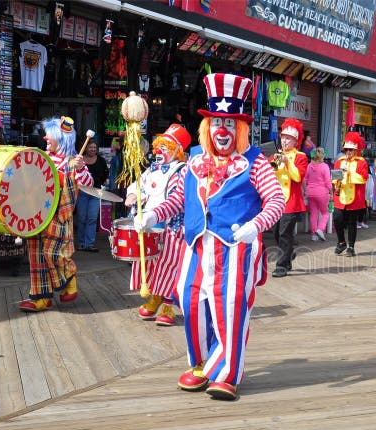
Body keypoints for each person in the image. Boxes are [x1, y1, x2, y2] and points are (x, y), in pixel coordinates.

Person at [138, 73, 285, 400]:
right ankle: (201, 363)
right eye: (217, 121)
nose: (223, 130)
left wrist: (256, 225)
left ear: (241, 129)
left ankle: (227, 373)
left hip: (235, 249)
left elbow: (277, 199)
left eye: (230, 124)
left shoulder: (255, 161)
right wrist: (153, 215)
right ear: (207, 127)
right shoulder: (193, 160)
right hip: (196, 245)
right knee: (189, 301)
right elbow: (179, 199)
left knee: (229, 305)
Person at [19, 116, 92, 312]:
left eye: (49, 136)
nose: (45, 139)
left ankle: (69, 277)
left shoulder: (72, 161)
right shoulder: (41, 157)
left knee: (54, 252)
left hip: (58, 215)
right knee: (36, 256)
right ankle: (40, 298)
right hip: (36, 214)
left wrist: (81, 167)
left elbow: (88, 184)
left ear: (61, 139)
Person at [124, 124, 191, 326]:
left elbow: (179, 200)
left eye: (166, 147)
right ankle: (155, 298)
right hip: (150, 227)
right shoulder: (152, 170)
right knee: (151, 264)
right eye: (158, 147)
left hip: (173, 228)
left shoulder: (183, 171)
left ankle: (168, 305)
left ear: (178, 150)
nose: (160, 151)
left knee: (170, 265)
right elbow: (139, 185)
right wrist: (133, 194)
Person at [271, 118, 309, 278]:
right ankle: (288, 255)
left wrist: (287, 163)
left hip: (291, 201)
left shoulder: (300, 157)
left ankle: (281, 265)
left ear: (295, 141)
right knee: (276, 233)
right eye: (283, 137)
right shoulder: (275, 155)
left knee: (284, 234)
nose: (285, 140)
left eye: (289, 138)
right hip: (275, 200)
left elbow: (297, 177)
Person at [332, 132, 369, 256]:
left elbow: (363, 179)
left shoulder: (362, 162)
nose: (348, 152)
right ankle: (341, 242)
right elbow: (334, 177)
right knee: (337, 219)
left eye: (351, 150)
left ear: (356, 150)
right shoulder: (339, 161)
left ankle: (351, 247)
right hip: (340, 194)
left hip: (355, 197)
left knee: (352, 223)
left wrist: (349, 173)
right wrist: (336, 180)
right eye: (346, 149)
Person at [75, 139, 108, 252]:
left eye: (94, 147)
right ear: (85, 148)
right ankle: (82, 243)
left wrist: (99, 184)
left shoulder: (101, 161)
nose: (93, 149)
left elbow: (105, 174)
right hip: (82, 192)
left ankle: (90, 244)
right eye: (90, 147)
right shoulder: (80, 160)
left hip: (95, 192)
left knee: (92, 219)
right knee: (82, 218)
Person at [304, 147, 331, 242]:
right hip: (322, 193)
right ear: (322, 155)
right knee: (325, 213)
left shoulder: (309, 165)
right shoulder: (325, 166)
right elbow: (328, 182)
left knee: (314, 213)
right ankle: (320, 229)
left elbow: (305, 179)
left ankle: (313, 234)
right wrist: (331, 192)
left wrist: (305, 191)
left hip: (310, 192)